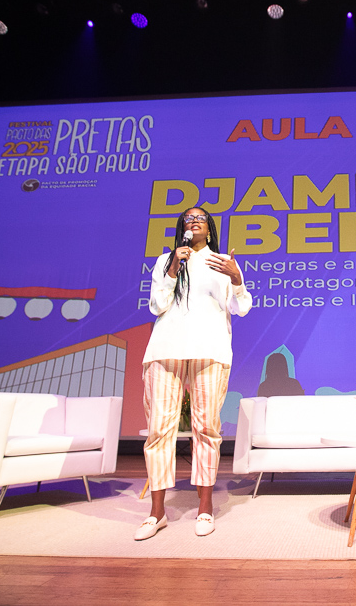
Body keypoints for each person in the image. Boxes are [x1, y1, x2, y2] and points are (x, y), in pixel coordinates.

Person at [134, 206, 252, 540]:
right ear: (182, 228)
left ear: (210, 228)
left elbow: (240, 308)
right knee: (159, 429)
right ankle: (157, 513)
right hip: (165, 349)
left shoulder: (223, 262)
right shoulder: (166, 260)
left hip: (210, 349)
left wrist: (236, 278)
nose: (194, 221)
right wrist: (173, 268)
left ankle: (205, 507)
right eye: (188, 218)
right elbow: (157, 305)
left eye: (200, 218)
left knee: (206, 428)